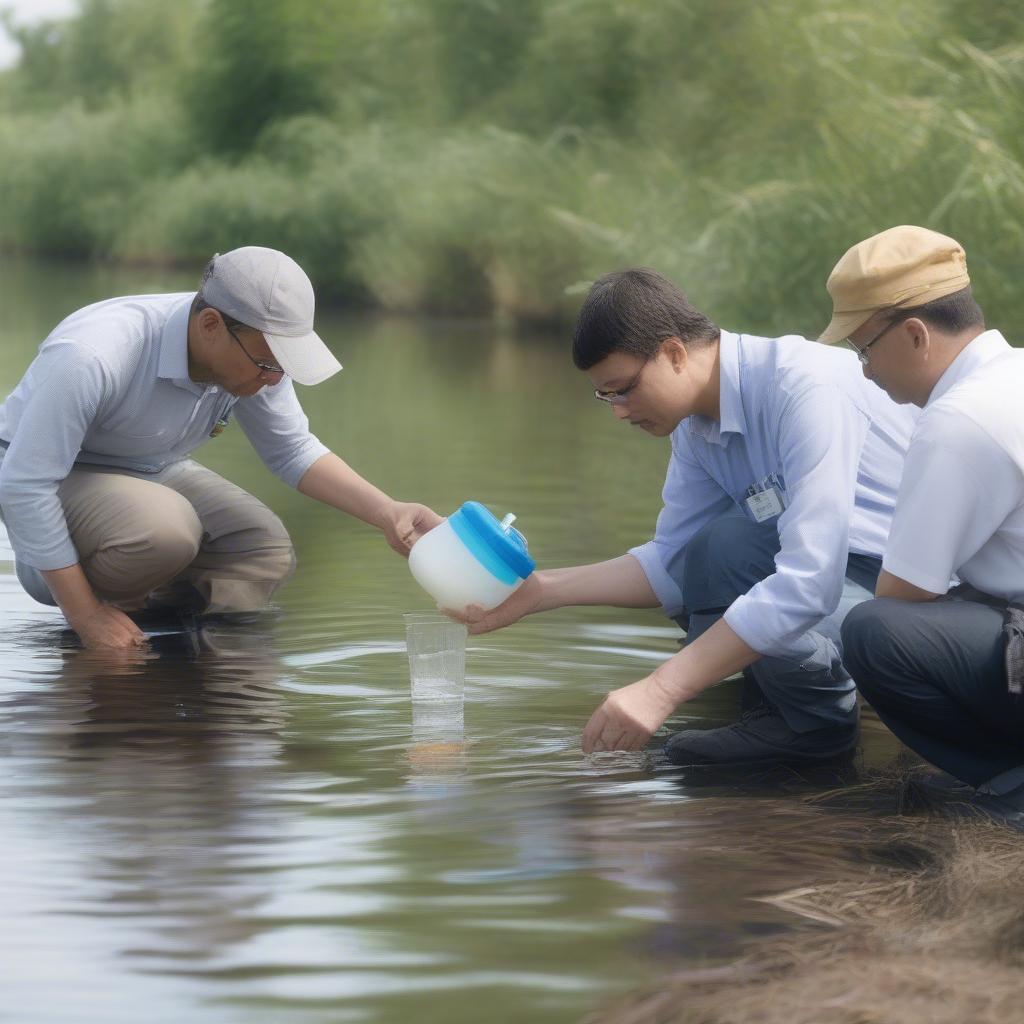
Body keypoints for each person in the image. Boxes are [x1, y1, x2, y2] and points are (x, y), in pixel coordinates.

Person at [453, 268, 916, 762]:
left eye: (623, 389)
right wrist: (540, 591)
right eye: (605, 396)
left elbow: (810, 582)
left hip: (909, 596)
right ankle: (786, 706)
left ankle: (818, 727)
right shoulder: (695, 426)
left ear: (674, 353)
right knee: (712, 553)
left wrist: (659, 691)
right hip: (839, 579)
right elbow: (671, 566)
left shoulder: (802, 388)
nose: (619, 412)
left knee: (730, 547)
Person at [0, 246, 442, 650]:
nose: (274, 379)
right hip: (52, 475)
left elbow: (291, 450)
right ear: (211, 325)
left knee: (260, 549)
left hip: (148, 466)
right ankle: (92, 619)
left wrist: (388, 512)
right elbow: (24, 484)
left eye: (282, 368)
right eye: (268, 364)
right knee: (165, 531)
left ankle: (189, 669)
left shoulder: (252, 352)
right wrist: (86, 616)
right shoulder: (92, 354)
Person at [823, 225, 1024, 824]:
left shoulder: (958, 421)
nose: (863, 373)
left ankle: (1007, 786)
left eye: (864, 351)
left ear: (915, 335)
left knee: (874, 633)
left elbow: (902, 598)